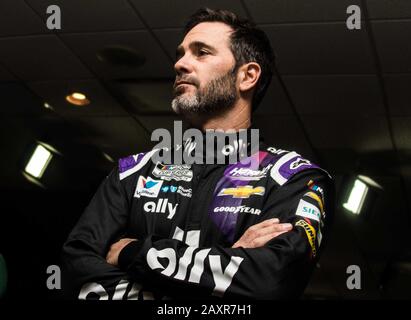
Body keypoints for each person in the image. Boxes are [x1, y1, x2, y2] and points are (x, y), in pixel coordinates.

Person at [61, 8, 334, 300]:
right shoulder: (132, 173)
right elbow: (77, 275)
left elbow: (268, 283)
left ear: (247, 76)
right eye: (181, 54)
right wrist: (223, 271)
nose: (180, 63)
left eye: (201, 52)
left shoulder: (294, 178)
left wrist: (131, 252)